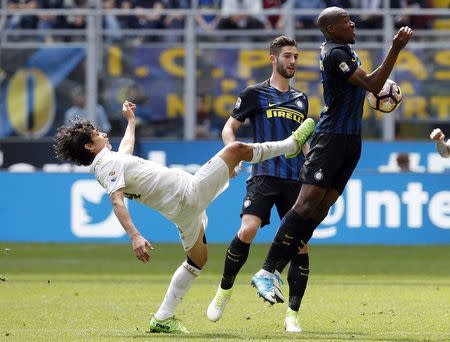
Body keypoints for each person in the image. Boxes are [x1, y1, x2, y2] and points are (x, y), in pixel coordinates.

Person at [54, 100, 314, 334]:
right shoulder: (107, 166)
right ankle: (290, 145)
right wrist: (135, 236)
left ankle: (163, 317)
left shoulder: (108, 162)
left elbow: (126, 148)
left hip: (181, 212)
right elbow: (116, 200)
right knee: (235, 149)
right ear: (90, 146)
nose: (104, 133)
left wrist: (131, 122)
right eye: (98, 134)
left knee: (197, 259)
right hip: (187, 194)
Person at [250, 6, 413, 331]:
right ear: (332, 29)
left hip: (351, 141)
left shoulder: (346, 50)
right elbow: (373, 83)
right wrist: (394, 48)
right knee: (306, 204)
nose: (352, 23)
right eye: (346, 21)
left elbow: (369, 82)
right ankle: (267, 271)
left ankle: (273, 271)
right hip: (330, 138)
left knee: (320, 211)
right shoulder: (333, 53)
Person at [206, 36, 314, 333]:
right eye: (288, 56)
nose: (293, 61)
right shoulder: (254, 94)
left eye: (296, 56)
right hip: (264, 173)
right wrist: (233, 156)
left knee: (301, 246)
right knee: (248, 229)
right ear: (273, 59)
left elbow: (302, 141)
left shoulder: (301, 99)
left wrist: (313, 166)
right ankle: (224, 290)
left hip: (296, 179)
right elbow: (229, 128)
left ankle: (292, 315)